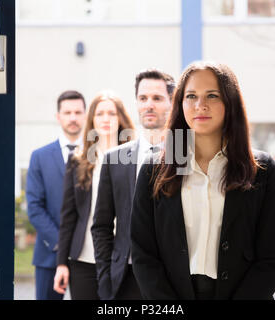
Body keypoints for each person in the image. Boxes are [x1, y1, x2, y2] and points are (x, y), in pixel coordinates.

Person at [131, 61, 275, 300]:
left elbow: (271, 256)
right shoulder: (154, 170)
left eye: (212, 96)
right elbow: (143, 254)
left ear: (230, 102)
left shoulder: (262, 170)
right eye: (191, 96)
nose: (200, 105)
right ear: (180, 104)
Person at [91, 69, 175, 300]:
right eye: (143, 98)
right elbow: (101, 226)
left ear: (171, 102)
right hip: (124, 281)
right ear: (136, 102)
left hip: (172, 283)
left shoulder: (187, 157)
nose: (149, 105)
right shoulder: (114, 159)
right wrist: (105, 279)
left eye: (157, 98)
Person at [53, 92, 135, 299]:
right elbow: (69, 216)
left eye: (112, 113)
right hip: (84, 259)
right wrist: (62, 263)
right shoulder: (78, 160)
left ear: (121, 119)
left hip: (124, 258)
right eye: (99, 114)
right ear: (92, 120)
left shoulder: (135, 159)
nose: (106, 119)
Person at [26, 90, 86, 300]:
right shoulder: (39, 157)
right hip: (49, 254)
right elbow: (34, 207)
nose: (73, 118)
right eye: (67, 112)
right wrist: (61, 242)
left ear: (85, 115)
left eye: (78, 112)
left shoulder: (96, 155)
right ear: (58, 116)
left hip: (88, 254)